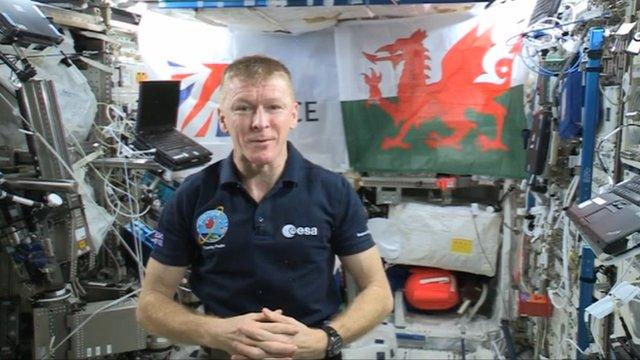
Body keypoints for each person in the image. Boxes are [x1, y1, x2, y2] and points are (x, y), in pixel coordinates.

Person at [136, 55, 393, 359]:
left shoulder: (332, 191)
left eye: (274, 107)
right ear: (223, 118)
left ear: (294, 115)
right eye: (243, 108)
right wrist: (215, 332)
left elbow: (378, 291)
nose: (260, 122)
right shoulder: (193, 195)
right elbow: (150, 302)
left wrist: (326, 339)